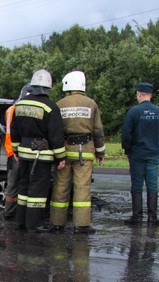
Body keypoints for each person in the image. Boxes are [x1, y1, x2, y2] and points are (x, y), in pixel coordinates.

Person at [49, 71, 105, 234]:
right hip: (85, 152)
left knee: (60, 187)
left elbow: (55, 130)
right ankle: (81, 225)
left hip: (65, 152)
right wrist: (100, 152)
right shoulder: (91, 104)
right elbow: (98, 130)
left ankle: (57, 223)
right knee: (82, 188)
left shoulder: (59, 104)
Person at [9, 69, 66, 232]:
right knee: (38, 190)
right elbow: (56, 135)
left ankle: (21, 220)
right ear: (48, 87)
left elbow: (14, 130)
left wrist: (16, 151)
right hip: (41, 155)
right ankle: (34, 223)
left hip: (24, 153)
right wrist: (60, 157)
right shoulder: (50, 107)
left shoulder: (20, 104)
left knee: (24, 186)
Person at [121, 82, 159, 225]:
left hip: (137, 153)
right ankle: (152, 217)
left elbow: (126, 134)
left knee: (136, 184)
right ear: (151, 95)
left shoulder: (133, 112)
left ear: (139, 94)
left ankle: (137, 216)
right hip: (153, 153)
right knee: (152, 184)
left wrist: (128, 149)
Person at [1, 84, 32, 220]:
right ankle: (17, 214)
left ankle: (9, 212)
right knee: (21, 183)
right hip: (19, 152)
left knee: (13, 184)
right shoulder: (21, 110)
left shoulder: (10, 109)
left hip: (11, 151)